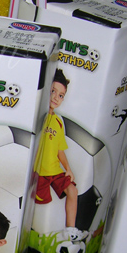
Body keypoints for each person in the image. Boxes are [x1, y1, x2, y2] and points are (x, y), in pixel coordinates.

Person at [34, 69, 87, 242]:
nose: (56, 97)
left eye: (61, 95)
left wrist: (68, 169)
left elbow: (60, 150)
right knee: (39, 203)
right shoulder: (37, 116)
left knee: (72, 190)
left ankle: (70, 231)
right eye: (53, 91)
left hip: (55, 170)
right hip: (39, 171)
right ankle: (35, 233)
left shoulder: (57, 121)